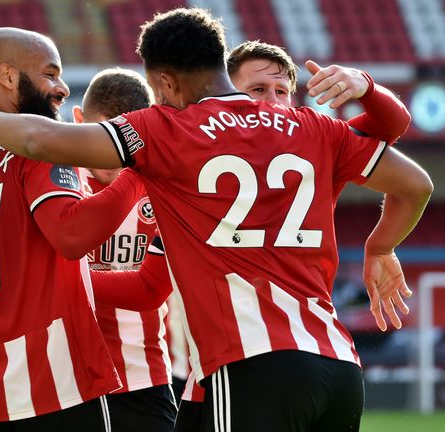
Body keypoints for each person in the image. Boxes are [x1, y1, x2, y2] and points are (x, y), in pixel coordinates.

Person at [0, 8, 433, 432]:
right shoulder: (312, 126)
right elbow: (416, 185)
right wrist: (379, 246)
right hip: (339, 366)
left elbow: (38, 141)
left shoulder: (165, 129)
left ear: (165, 83)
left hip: (251, 365)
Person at [0, 27, 163, 431]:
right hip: (55, 389)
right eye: (50, 73)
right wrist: (138, 170)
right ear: (8, 77)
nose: (61, 88)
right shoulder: (36, 146)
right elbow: (71, 234)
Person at [173, 39, 414, 431]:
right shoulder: (197, 143)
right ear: (226, 94)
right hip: (241, 363)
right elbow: (395, 131)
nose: (272, 101)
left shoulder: (313, 142)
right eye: (258, 89)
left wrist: (365, 85)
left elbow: (392, 127)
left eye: (282, 91)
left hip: (256, 360)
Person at [73, 68, 176, 432]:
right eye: (106, 135)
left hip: (145, 376)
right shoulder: (56, 183)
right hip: (70, 382)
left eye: (126, 139)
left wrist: (63, 282)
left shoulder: (164, 188)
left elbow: (151, 290)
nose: (115, 152)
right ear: (79, 121)